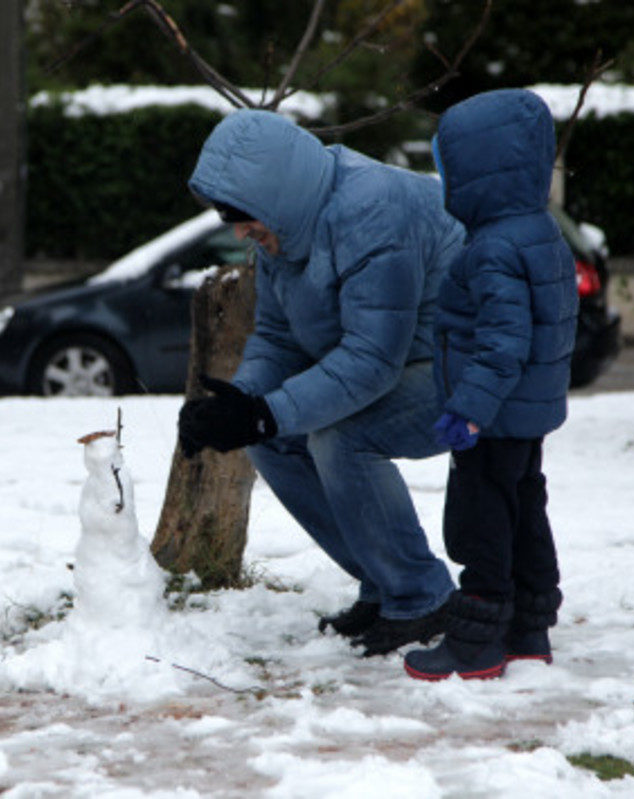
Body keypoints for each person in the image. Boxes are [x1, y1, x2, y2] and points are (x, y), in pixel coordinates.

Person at [178, 109, 465, 657]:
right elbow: (277, 337)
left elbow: (371, 359)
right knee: (272, 441)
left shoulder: (373, 212)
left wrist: (264, 413)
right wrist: (240, 402)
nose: (239, 232)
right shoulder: (287, 228)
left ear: (275, 196)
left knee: (343, 438)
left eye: (243, 217)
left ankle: (421, 597)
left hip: (473, 368)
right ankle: (385, 582)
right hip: (405, 363)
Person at [403, 89, 576, 681]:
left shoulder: (493, 248)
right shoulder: (541, 232)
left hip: (494, 414)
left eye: (447, 168)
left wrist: (469, 409)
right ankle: (528, 628)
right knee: (524, 509)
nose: (444, 181)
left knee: (482, 521)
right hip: (527, 411)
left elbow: (503, 340)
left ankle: (477, 643)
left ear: (479, 172)